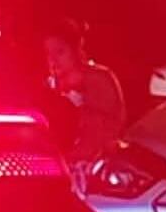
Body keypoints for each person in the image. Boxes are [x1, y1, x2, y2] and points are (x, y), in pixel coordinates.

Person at [42, 19, 126, 191]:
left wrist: (75, 104)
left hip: (94, 171)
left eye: (60, 52)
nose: (53, 60)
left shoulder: (98, 79)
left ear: (75, 49)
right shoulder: (49, 86)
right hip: (60, 169)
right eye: (48, 54)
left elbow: (106, 127)